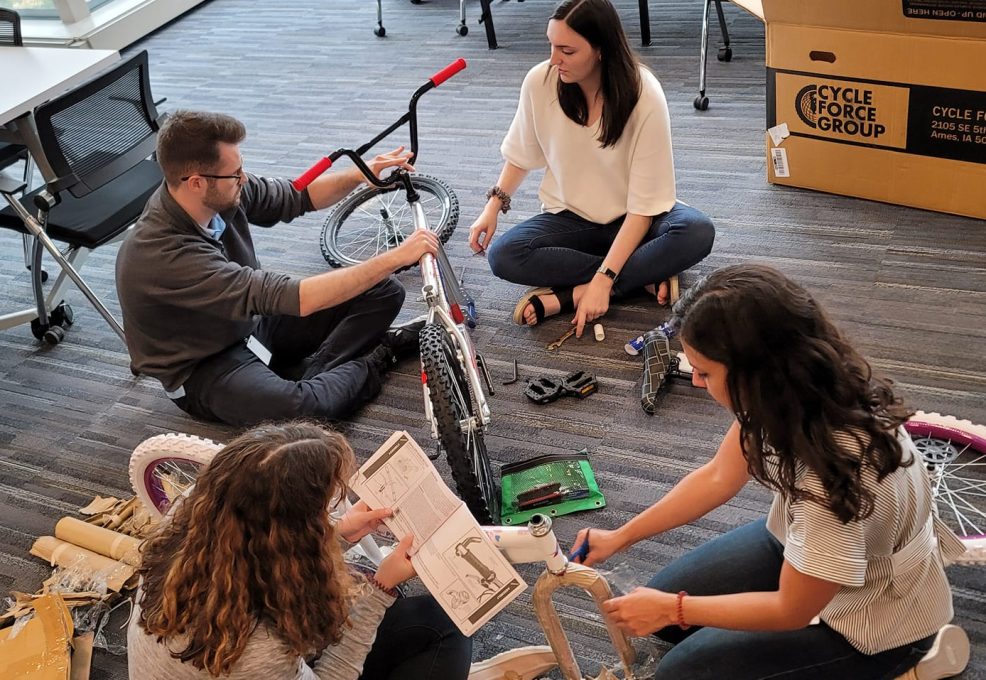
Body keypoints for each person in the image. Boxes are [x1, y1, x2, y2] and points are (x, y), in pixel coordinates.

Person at [570, 264, 969, 679]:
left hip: (876, 618)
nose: (697, 384)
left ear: (753, 373)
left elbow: (791, 609)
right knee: (671, 623)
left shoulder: (830, 478)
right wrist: (622, 536)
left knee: (678, 671)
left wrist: (675, 606)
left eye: (705, 372)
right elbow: (718, 477)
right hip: (812, 547)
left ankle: (911, 665)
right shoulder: (790, 388)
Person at [117, 110, 439, 427]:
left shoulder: (218, 192)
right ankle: (380, 355)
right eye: (235, 174)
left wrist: (360, 175)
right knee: (305, 410)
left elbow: (295, 196)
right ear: (197, 183)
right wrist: (396, 257)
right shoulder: (165, 257)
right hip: (206, 365)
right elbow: (293, 297)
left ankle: (316, 376)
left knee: (384, 291)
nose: (243, 178)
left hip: (249, 321)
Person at [128, 421, 473, 680]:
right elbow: (334, 675)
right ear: (294, 534)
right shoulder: (261, 653)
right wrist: (380, 590)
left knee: (427, 618)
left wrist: (338, 530)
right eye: (322, 513)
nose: (328, 518)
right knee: (447, 629)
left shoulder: (188, 518)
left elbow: (259, 536)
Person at [468, 0, 715, 338]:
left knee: (697, 231)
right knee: (504, 255)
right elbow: (522, 152)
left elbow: (644, 209)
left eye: (567, 51)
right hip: (573, 220)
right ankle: (643, 270)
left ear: (601, 50)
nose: (554, 59)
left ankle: (572, 293)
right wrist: (493, 206)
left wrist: (602, 282)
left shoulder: (645, 94)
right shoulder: (539, 82)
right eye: (551, 45)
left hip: (638, 219)